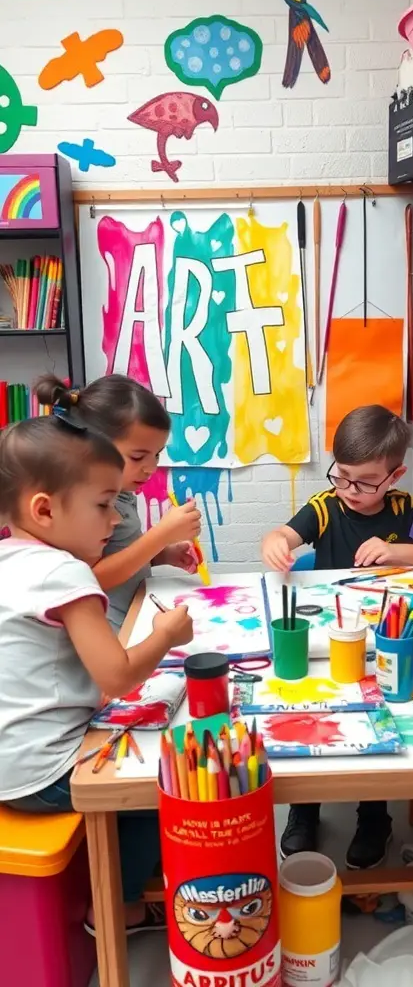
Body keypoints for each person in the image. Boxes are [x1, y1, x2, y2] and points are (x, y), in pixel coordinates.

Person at [0, 413, 193, 932]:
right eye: (103, 506)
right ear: (44, 510)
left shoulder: (8, 558)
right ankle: (122, 906)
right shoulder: (65, 571)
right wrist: (167, 636)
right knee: (165, 780)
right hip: (41, 773)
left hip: (9, 760)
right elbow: (117, 678)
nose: (114, 522)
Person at [261, 405, 413, 869]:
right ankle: (303, 811)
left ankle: (374, 815)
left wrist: (396, 550)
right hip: (327, 639)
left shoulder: (403, 508)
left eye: (364, 482)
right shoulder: (325, 506)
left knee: (374, 722)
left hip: (381, 637)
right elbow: (281, 533)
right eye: (342, 477)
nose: (350, 490)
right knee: (311, 716)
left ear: (395, 475)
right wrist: (276, 544)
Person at [35, 374, 202, 632]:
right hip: (106, 633)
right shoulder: (85, 505)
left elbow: (120, 550)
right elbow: (91, 578)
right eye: (138, 457)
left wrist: (163, 554)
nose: (151, 468)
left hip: (133, 616)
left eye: (156, 454)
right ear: (92, 446)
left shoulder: (122, 493)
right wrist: (161, 535)